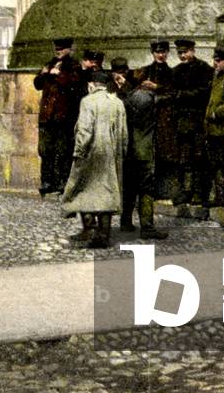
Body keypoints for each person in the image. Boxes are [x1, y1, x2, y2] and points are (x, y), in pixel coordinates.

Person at [61, 70, 128, 248]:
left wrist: (78, 151)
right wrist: (121, 152)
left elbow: (85, 130)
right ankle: (104, 234)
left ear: (92, 84)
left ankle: (89, 229)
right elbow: (123, 134)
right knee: (107, 193)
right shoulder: (118, 103)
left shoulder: (88, 101)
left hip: (91, 153)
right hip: (111, 153)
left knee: (84, 189)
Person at [110, 57, 167, 239]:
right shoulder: (145, 97)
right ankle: (147, 227)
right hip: (144, 151)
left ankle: (126, 221)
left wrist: (125, 87)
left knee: (129, 187)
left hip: (128, 150)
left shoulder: (123, 97)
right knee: (146, 189)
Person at [169, 37, 213, 217]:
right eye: (180, 53)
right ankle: (183, 194)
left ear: (193, 51)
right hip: (182, 122)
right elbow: (172, 93)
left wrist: (182, 95)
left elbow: (204, 92)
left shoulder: (204, 69)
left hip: (199, 121)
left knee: (200, 158)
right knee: (183, 158)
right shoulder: (176, 71)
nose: (183, 55)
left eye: (185, 52)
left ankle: (199, 194)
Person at [33, 37, 82, 196]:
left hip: (63, 117)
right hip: (47, 117)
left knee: (63, 151)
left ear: (68, 49)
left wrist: (59, 74)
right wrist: (44, 74)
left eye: (61, 49)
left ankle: (62, 182)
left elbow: (74, 84)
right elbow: (37, 84)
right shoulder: (49, 64)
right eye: (57, 49)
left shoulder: (73, 66)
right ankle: (46, 181)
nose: (58, 51)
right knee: (45, 150)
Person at [133, 40, 177, 200]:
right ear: (152, 53)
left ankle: (162, 191)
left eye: (163, 52)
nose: (161, 55)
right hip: (147, 119)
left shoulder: (172, 73)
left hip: (164, 119)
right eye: (158, 52)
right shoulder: (145, 71)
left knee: (164, 154)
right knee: (146, 154)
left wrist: (157, 89)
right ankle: (146, 190)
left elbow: (174, 94)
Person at [204, 46, 224, 207]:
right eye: (214, 60)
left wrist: (215, 114)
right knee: (215, 163)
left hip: (222, 129)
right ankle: (219, 197)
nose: (215, 63)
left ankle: (223, 198)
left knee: (222, 164)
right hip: (213, 130)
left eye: (218, 61)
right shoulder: (217, 77)